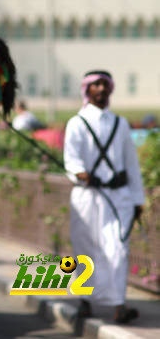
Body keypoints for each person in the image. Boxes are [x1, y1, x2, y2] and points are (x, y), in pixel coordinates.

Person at [63, 70, 145, 324]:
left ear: (110, 89)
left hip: (118, 197)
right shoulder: (76, 123)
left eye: (104, 84)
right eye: (95, 84)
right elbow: (72, 161)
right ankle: (86, 302)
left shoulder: (120, 123)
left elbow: (131, 165)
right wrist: (83, 175)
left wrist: (137, 199)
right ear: (87, 89)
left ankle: (119, 306)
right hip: (87, 198)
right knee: (86, 250)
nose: (100, 89)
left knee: (118, 249)